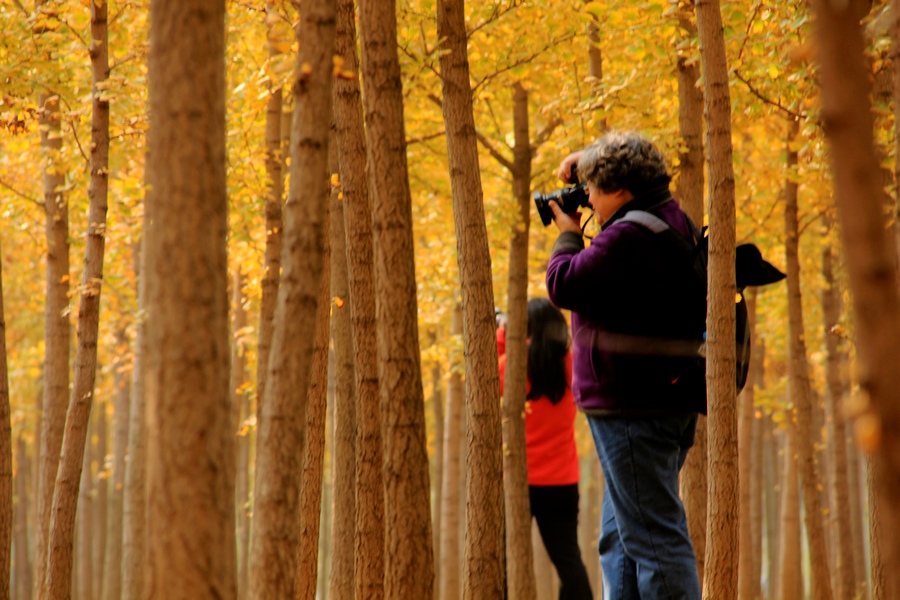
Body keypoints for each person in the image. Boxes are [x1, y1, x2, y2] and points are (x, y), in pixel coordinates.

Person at [545, 130, 706, 600]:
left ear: (620, 190)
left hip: (634, 411)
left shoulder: (630, 236)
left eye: (593, 189)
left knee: (654, 540)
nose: (587, 199)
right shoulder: (666, 216)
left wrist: (569, 236)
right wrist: (590, 160)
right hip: (656, 401)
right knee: (620, 541)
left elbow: (564, 285)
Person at [498, 298, 593, 600]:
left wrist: (502, 333)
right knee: (568, 561)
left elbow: (496, 370)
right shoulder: (573, 364)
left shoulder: (510, 366)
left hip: (517, 481)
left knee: (499, 562)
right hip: (562, 481)